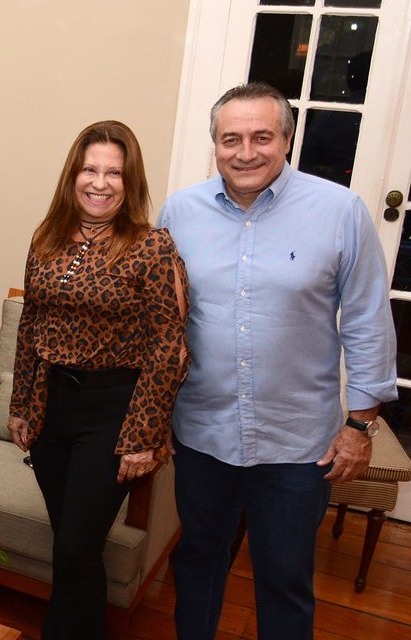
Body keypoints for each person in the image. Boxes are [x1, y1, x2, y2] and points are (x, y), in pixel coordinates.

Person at [159, 82, 398, 640]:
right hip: (202, 433)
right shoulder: (180, 212)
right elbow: (163, 324)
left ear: (287, 139)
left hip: (296, 446)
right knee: (196, 564)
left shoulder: (340, 212)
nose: (245, 152)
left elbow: (366, 320)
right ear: (214, 144)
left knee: (285, 580)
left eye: (262, 137)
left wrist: (361, 425)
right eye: (230, 139)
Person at [7, 120, 189, 640]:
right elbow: (32, 325)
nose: (100, 182)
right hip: (52, 410)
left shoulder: (151, 248)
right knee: (70, 542)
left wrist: (143, 435)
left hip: (112, 413)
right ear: (73, 174)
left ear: (130, 183)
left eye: (115, 172)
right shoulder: (46, 238)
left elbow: (168, 348)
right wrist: (21, 404)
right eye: (90, 169)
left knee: (75, 547)